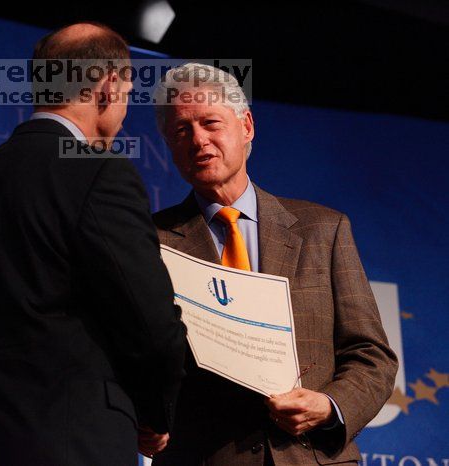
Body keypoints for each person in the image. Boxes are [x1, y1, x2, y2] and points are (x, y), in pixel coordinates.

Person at [0, 23, 187, 466]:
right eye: (126, 92)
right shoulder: (99, 170)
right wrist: (155, 413)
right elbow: (149, 322)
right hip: (77, 445)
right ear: (107, 87)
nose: (124, 111)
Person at [151, 63, 398, 465]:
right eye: (181, 130)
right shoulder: (149, 242)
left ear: (246, 126)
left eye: (211, 123)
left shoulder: (324, 229)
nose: (198, 140)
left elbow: (372, 355)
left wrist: (328, 405)